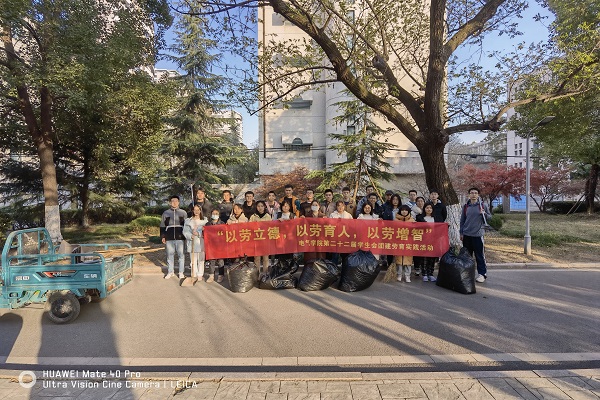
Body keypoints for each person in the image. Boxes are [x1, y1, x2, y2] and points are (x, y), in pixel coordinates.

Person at [460, 187, 492, 283]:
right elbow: (462, 220)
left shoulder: (483, 205)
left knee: (479, 256)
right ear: (469, 195)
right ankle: (468, 274)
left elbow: (490, 217)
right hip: (467, 235)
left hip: (478, 235)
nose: (473, 194)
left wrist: (484, 213)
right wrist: (461, 232)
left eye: (475, 193)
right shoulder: (466, 206)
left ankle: (482, 274)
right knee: (467, 257)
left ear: (478, 195)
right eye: (472, 193)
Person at [160, 195, 188, 279]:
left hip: (180, 237)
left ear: (178, 202)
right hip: (169, 237)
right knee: (170, 255)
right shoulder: (166, 213)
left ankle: (181, 272)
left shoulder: (183, 213)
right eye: (172, 201)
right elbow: (162, 225)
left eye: (176, 201)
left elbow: (186, 225)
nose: (174, 203)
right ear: (170, 203)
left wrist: (186, 236)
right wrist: (163, 236)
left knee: (181, 255)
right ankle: (170, 272)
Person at [183, 205, 208, 281]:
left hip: (201, 242)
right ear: (192, 211)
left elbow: (207, 231)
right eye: (195, 210)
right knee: (193, 259)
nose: (196, 211)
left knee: (201, 259)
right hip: (192, 242)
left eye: (198, 210)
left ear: (200, 211)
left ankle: (200, 274)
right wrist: (190, 236)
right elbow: (185, 231)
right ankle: (194, 273)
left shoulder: (205, 220)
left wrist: (199, 233)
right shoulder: (188, 221)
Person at [416, 202, 438, 282]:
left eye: (430, 208)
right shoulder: (420, 218)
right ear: (424, 209)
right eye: (427, 208)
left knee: (432, 258)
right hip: (423, 240)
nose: (429, 209)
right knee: (424, 257)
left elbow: (440, 228)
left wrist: (447, 225)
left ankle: (430, 274)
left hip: (433, 240)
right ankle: (424, 274)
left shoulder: (436, 218)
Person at [249, 201, 272, 275]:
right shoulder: (253, 216)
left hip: (265, 240)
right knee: (257, 258)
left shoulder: (268, 216)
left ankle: (265, 274)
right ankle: (257, 275)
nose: (260, 208)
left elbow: (271, 227)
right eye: (258, 206)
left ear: (264, 207)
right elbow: (249, 227)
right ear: (256, 207)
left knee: (265, 258)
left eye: (262, 206)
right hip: (256, 240)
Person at [394, 204, 415, 282]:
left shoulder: (412, 221)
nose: (404, 211)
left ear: (408, 211)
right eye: (402, 210)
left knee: (408, 259)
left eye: (406, 210)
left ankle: (407, 275)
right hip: (398, 242)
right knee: (399, 259)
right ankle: (399, 274)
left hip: (409, 242)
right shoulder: (395, 220)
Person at [206, 209, 225, 283]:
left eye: (216, 213)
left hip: (220, 245)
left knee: (220, 261)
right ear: (211, 214)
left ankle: (221, 275)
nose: (215, 215)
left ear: (219, 215)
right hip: (211, 245)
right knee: (212, 260)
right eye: (213, 213)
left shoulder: (222, 223)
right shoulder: (208, 224)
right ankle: (211, 275)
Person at [411, 196, 427, 276]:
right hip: (416, 233)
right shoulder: (413, 212)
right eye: (418, 201)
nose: (420, 203)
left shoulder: (427, 210)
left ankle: (424, 268)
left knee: (425, 251)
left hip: (426, 234)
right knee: (416, 251)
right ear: (416, 202)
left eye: (422, 201)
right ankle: (417, 268)